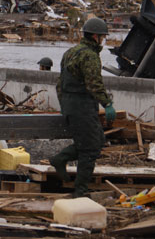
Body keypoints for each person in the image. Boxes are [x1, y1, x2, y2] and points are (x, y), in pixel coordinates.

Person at [49, 17, 117, 198]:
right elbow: (94, 84)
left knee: (97, 141)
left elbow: (59, 83)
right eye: (102, 37)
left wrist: (64, 105)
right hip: (83, 107)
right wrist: (107, 104)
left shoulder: (70, 52)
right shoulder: (90, 55)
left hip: (72, 105)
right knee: (90, 148)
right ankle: (80, 190)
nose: (102, 40)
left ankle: (61, 159)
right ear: (95, 36)